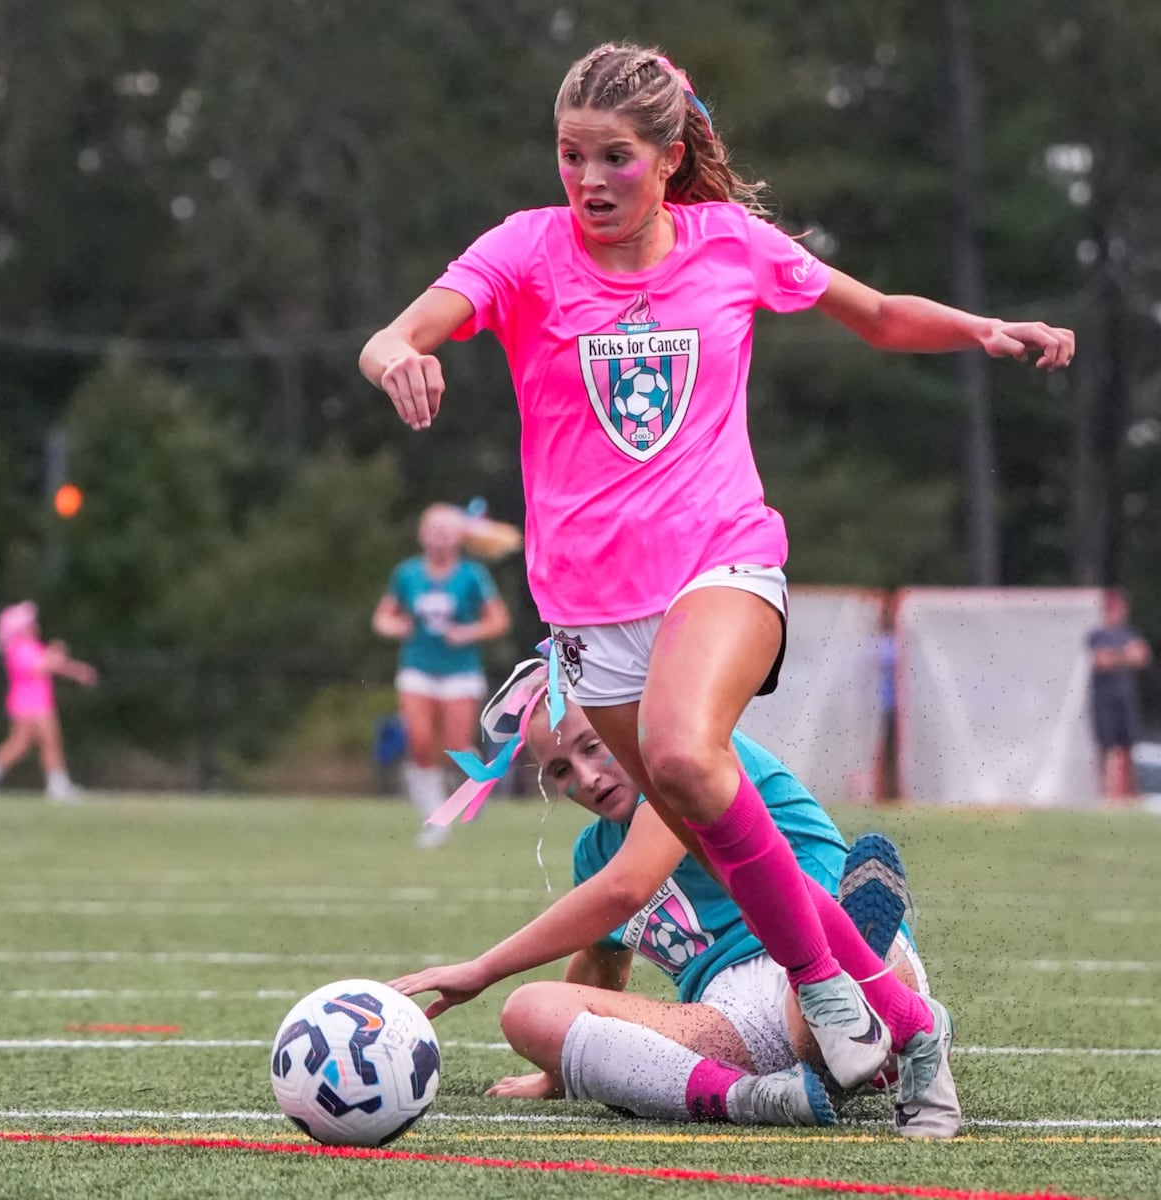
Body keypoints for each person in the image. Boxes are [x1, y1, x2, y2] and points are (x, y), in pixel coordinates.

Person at [360, 41, 1072, 1134]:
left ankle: (834, 1000)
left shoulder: (729, 243)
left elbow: (876, 314)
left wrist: (979, 328)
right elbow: (396, 331)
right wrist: (396, 353)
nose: (590, 180)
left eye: (616, 158)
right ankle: (902, 1022)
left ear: (670, 154)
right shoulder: (523, 250)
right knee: (699, 822)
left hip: (725, 563)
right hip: (590, 620)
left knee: (688, 757)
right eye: (570, 156)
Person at [391, 681, 939, 1129]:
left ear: (622, 720)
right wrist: (558, 1065)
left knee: (811, 999)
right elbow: (602, 964)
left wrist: (482, 969)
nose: (585, 778)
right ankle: (757, 1097)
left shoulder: (694, 759)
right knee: (528, 1010)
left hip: (812, 945)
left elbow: (628, 887)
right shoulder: (594, 853)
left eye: (592, 746)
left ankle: (861, 980)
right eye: (560, 771)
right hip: (732, 1013)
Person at [372, 504, 511, 846]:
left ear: (459, 537)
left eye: (446, 532)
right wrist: (396, 626)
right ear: (422, 534)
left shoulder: (472, 576)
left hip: (460, 671)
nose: (439, 538)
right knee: (418, 740)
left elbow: (498, 620)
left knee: (455, 746)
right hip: (417, 666)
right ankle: (436, 819)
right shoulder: (406, 574)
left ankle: (474, 786)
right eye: (433, 530)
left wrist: (468, 633)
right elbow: (383, 617)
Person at [0, 602, 98, 802]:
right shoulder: (18, 648)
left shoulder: (31, 647)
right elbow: (41, 666)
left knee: (20, 744)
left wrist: (77, 671)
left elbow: (53, 664)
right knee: (49, 741)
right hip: (30, 704)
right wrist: (56, 651)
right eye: (30, 623)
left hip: (33, 702)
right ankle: (58, 786)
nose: (34, 625)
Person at [1086, 590, 1150, 802]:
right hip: (1104, 698)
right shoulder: (1097, 635)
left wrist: (1116, 656)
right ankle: (1106, 793)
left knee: (1128, 745)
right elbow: (1101, 661)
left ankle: (1131, 793)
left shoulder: (1129, 633)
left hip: (1125, 697)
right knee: (1106, 746)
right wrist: (1124, 655)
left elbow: (1141, 657)